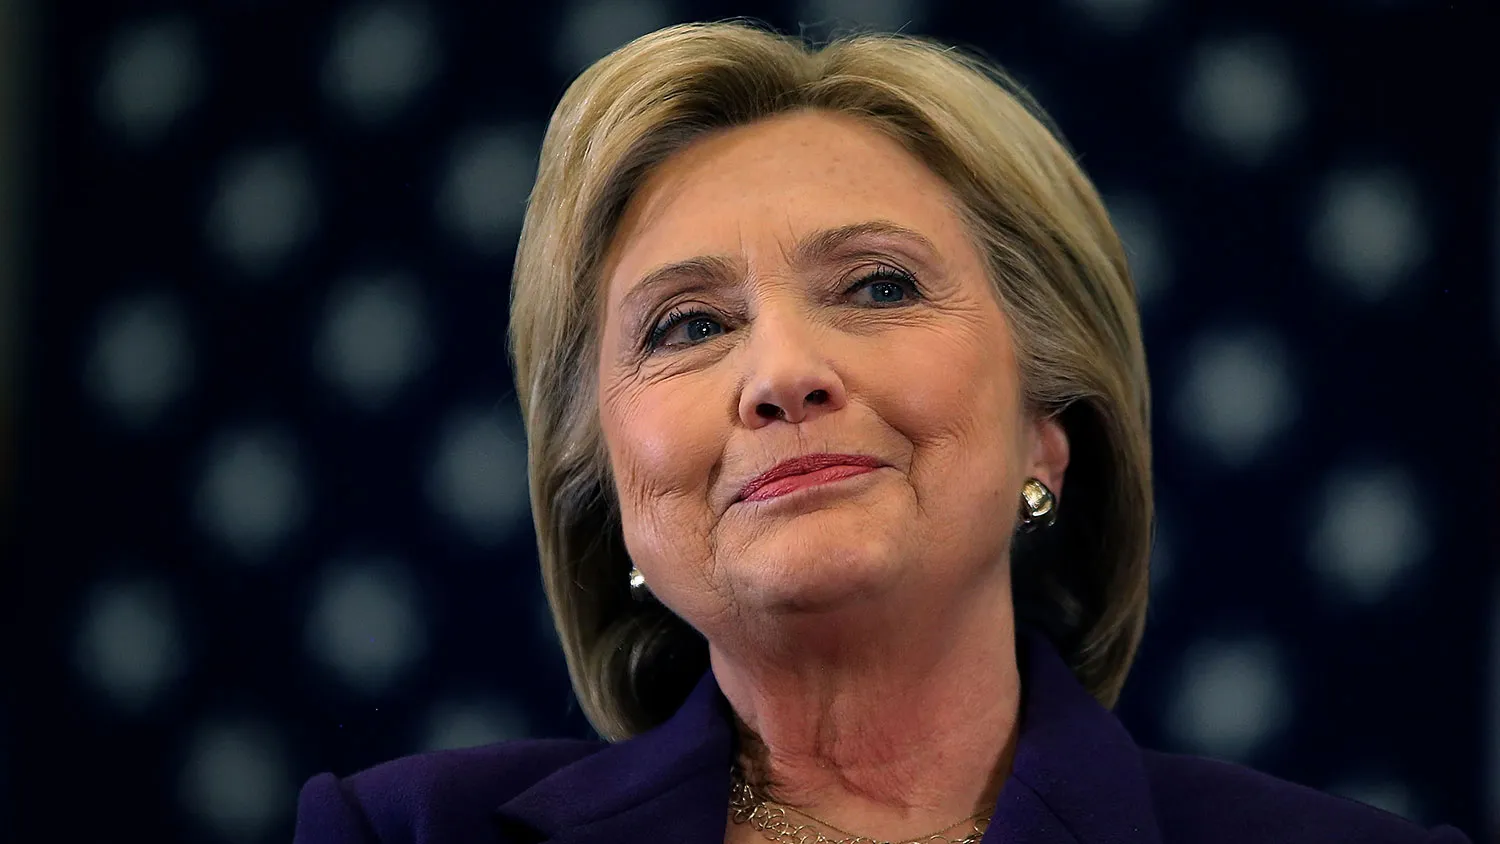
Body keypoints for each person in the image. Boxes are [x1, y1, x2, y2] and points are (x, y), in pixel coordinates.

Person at [292, 20, 1471, 844]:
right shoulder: (398, 832)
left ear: (1046, 436)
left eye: (878, 287)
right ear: (605, 482)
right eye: (688, 323)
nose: (784, 373)